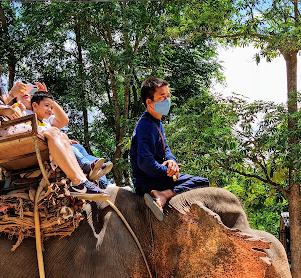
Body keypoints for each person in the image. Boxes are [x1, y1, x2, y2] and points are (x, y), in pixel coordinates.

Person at [0, 48, 106, 200]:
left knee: (60, 135)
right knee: (51, 132)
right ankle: (78, 181)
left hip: (5, 131)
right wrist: (1, 112)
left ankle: (81, 181)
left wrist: (9, 102)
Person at [129, 77, 209, 220]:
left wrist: (172, 161)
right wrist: (168, 172)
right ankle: (164, 194)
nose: (167, 100)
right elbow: (144, 163)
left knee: (200, 181)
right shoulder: (146, 126)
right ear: (149, 102)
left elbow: (167, 149)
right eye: (162, 96)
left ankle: (164, 193)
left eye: (168, 96)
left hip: (157, 177)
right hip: (148, 182)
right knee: (201, 182)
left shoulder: (156, 122)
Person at [14, 83, 112, 181]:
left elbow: (64, 121)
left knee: (80, 149)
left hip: (56, 141)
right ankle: (88, 168)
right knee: (73, 149)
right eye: (21, 90)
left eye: (28, 91)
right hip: (44, 146)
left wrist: (46, 98)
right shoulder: (18, 111)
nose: (25, 92)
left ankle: (102, 180)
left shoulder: (42, 114)